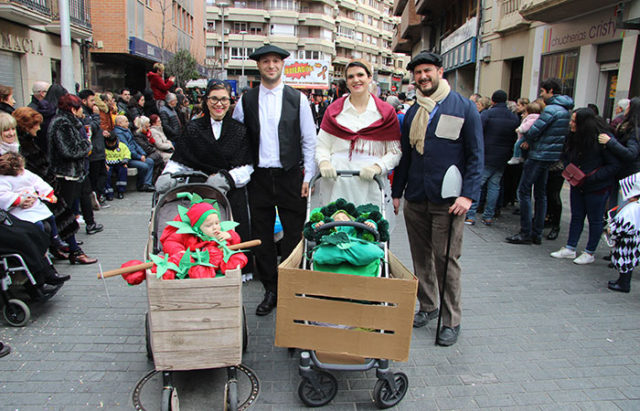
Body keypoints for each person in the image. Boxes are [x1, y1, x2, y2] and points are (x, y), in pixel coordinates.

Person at [391, 51, 483, 346]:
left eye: (427, 71)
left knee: (446, 259)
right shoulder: (413, 112)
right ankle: (428, 306)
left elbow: (476, 156)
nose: (422, 77)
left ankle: (450, 319)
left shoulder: (464, 108)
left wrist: (468, 196)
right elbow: (406, 156)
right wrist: (397, 192)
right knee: (421, 258)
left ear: (440, 72)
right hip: (416, 196)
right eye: (417, 73)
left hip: (449, 200)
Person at [232, 44, 317, 316]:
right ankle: (271, 289)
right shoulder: (245, 100)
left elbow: (309, 140)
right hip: (258, 178)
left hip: (291, 176)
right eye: (265, 61)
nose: (271, 66)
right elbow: (237, 138)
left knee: (294, 233)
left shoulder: (298, 99)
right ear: (259, 66)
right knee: (262, 237)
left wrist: (309, 176)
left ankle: (290, 287)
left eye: (275, 61)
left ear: (283, 65)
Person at [160, 80, 254, 276]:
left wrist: (227, 178)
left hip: (230, 189)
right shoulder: (193, 128)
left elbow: (247, 165)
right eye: (214, 99)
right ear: (206, 101)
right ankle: (200, 266)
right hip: (201, 191)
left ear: (230, 102)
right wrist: (167, 175)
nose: (219, 104)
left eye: (224, 99)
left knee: (232, 229)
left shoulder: (239, 130)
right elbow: (181, 158)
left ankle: (235, 268)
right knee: (202, 231)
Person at [316, 59, 401, 213]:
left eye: (360, 75)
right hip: (337, 181)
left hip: (370, 182)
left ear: (369, 78)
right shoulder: (334, 111)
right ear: (346, 82)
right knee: (335, 228)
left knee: (369, 230)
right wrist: (323, 162)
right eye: (351, 77)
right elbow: (322, 145)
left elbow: (395, 151)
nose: (356, 80)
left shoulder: (386, 113)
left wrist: (378, 167)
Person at [506, 78, 573, 245]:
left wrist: (527, 139)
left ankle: (526, 232)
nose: (541, 95)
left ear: (550, 91)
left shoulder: (551, 109)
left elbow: (534, 130)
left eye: (543, 91)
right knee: (541, 193)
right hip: (550, 156)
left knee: (524, 191)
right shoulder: (565, 110)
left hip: (538, 154)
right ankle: (536, 232)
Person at [550, 108, 619, 264]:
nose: (571, 123)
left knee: (595, 220)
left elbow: (614, 165)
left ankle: (589, 252)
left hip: (597, 187)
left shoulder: (602, 139)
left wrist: (592, 177)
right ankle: (570, 247)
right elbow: (566, 156)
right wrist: (570, 169)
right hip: (577, 183)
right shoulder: (573, 137)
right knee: (577, 216)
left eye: (574, 121)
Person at [12, 107, 80, 258]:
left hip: (42, 187)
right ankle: (73, 251)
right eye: (35, 125)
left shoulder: (28, 142)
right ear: (27, 126)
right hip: (35, 191)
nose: (39, 127)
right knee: (61, 215)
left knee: (61, 214)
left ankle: (66, 249)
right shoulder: (23, 146)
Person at [47, 94, 100, 263]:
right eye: (79, 109)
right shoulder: (62, 124)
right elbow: (69, 151)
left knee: (68, 213)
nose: (82, 112)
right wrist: (87, 144)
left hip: (73, 174)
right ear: (72, 109)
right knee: (66, 214)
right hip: (65, 175)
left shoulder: (67, 122)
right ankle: (73, 251)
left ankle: (65, 247)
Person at [465, 90, 519, 226]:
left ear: (493, 101)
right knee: (494, 185)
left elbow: (477, 133)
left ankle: (471, 215)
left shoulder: (486, 114)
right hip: (503, 157)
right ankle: (488, 215)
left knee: (478, 185)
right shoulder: (513, 117)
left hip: (486, 155)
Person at [598, 97, 640, 208]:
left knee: (620, 208)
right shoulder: (630, 128)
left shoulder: (634, 130)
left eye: (629, 106)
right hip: (626, 175)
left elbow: (631, 153)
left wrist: (610, 142)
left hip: (627, 177)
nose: (626, 109)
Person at [605, 172, 640, 293]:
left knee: (624, 259)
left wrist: (612, 230)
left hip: (627, 239)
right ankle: (621, 281)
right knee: (627, 260)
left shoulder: (631, 208)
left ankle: (623, 284)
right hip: (634, 237)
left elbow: (622, 225)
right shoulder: (636, 206)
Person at [79, 89, 108, 205]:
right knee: (95, 177)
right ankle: (94, 196)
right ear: (84, 101)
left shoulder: (91, 112)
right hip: (93, 152)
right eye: (92, 101)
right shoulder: (84, 114)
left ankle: (98, 196)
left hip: (99, 150)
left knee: (103, 175)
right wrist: (96, 116)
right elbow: (90, 129)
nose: (94, 104)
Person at [112, 115, 155, 192]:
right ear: (120, 123)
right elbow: (127, 148)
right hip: (127, 158)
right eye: (126, 121)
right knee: (144, 166)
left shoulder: (127, 130)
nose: (128, 123)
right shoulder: (118, 133)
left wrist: (142, 153)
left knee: (150, 161)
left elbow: (135, 144)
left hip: (135, 155)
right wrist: (139, 157)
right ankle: (140, 185)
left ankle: (147, 184)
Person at [507, 101, 542, 165]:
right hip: (528, 139)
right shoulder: (538, 118)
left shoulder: (531, 118)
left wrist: (519, 129)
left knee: (517, 145)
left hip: (525, 136)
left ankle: (516, 157)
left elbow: (526, 126)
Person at [133, 115, 165, 180]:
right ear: (143, 125)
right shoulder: (138, 135)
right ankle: (154, 180)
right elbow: (145, 148)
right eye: (148, 123)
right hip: (145, 154)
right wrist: (154, 150)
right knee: (157, 158)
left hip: (150, 152)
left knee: (159, 157)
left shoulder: (146, 133)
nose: (149, 125)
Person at [104, 132, 130, 200]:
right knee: (106, 174)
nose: (111, 145)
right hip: (107, 164)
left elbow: (127, 154)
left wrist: (125, 161)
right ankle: (109, 193)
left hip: (120, 163)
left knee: (123, 170)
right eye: (109, 143)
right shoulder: (103, 147)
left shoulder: (122, 146)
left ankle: (121, 191)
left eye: (112, 143)